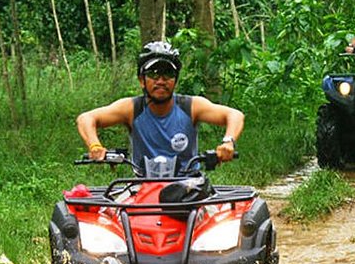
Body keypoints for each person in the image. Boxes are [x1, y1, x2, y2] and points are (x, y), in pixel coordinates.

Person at [76, 41, 244, 173]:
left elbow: (234, 115)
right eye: (153, 74)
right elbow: (86, 118)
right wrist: (95, 146)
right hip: (142, 187)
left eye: (168, 74)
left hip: (189, 187)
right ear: (142, 80)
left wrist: (228, 142)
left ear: (175, 80)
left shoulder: (191, 106)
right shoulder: (131, 109)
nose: (161, 80)